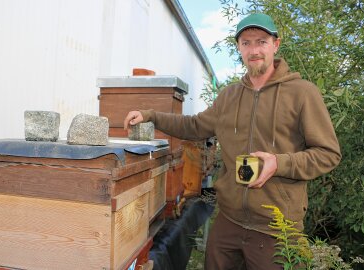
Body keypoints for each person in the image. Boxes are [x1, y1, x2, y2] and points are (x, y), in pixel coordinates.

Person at [124, 13, 341, 270]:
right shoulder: (229, 96)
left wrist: (279, 163)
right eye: (246, 42)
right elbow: (193, 126)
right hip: (228, 222)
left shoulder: (303, 93)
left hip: (277, 228)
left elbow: (328, 154)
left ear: (276, 45)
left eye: (261, 41)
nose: (254, 49)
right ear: (238, 48)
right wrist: (150, 116)